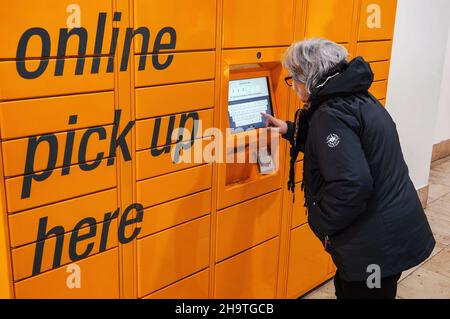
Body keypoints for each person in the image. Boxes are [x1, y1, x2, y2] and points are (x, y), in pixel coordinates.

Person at [262, 38, 435, 299]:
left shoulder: (330, 114)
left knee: (362, 292)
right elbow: (343, 145)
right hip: (386, 233)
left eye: (294, 78)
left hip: (374, 244)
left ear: (310, 78)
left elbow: (353, 183)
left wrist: (324, 225)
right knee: (351, 287)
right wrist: (288, 129)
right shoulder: (355, 97)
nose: (293, 86)